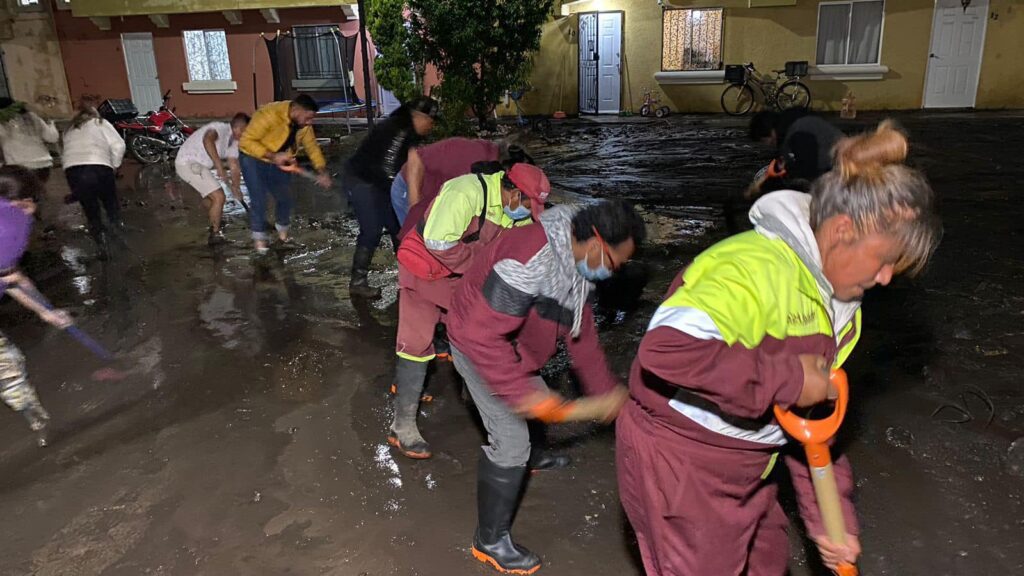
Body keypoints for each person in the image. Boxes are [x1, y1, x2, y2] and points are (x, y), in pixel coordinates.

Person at [617, 122, 941, 576]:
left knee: (768, 559)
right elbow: (665, 352)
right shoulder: (751, 271)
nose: (887, 277)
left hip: (750, 462)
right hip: (681, 461)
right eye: (885, 260)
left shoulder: (843, 308)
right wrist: (788, 379)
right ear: (843, 229)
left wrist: (833, 521)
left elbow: (812, 425)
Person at [447, 200, 646, 574]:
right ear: (596, 245)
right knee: (512, 438)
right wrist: (525, 399)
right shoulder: (528, 260)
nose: (614, 272)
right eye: (615, 263)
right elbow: (482, 338)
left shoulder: (578, 259)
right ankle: (489, 541)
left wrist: (605, 393)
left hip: (511, 341)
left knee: (535, 392)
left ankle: (531, 459)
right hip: (475, 340)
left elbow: (581, 334)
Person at [389, 162, 550, 460]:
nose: (528, 214)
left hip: (462, 277)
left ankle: (482, 403)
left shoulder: (520, 217)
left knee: (476, 336)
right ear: (513, 192)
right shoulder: (465, 191)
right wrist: (480, 270)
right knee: (417, 341)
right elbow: (437, 242)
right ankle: (403, 426)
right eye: (527, 205)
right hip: (423, 265)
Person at [0, 166, 74, 447]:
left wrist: (46, 311)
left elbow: (11, 278)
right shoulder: (8, 225)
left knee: (9, 367)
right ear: (23, 200)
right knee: (8, 368)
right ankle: (41, 427)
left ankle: (38, 422)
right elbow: (10, 277)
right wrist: (47, 312)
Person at [344, 96, 438, 298]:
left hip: (380, 182)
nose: (432, 126)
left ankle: (410, 274)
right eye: (431, 121)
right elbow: (388, 170)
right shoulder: (400, 131)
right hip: (363, 180)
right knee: (372, 229)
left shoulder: (408, 130)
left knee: (399, 228)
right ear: (419, 117)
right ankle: (358, 282)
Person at [239, 94, 331, 255]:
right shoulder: (268, 114)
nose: (310, 122)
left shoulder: (304, 126)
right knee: (259, 198)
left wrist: (322, 171)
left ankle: (282, 238)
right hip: (253, 157)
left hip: (281, 159)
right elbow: (246, 142)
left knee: (285, 197)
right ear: (296, 110)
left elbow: (312, 147)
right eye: (308, 117)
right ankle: (260, 243)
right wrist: (273, 156)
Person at [391, 138, 533, 225]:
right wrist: (415, 209)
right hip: (409, 187)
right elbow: (415, 158)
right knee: (417, 246)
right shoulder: (468, 153)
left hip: (438, 197)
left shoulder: (491, 170)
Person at [61, 100, 127, 257]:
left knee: (91, 210)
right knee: (110, 203)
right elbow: (118, 145)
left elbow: (65, 151)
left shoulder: (68, 129)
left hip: (73, 170)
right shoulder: (100, 123)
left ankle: (101, 244)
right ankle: (117, 235)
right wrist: (114, 165)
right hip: (99, 167)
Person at [175, 113, 250, 245]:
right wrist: (219, 166)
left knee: (212, 199)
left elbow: (234, 165)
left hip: (199, 166)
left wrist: (236, 187)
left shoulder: (235, 142)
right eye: (244, 131)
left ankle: (215, 218)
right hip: (188, 163)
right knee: (219, 197)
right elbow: (207, 139)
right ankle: (215, 235)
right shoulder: (219, 128)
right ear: (237, 127)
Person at [748, 109, 845, 199]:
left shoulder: (799, 131)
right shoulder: (790, 127)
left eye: (765, 141)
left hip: (843, 172)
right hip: (836, 171)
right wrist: (762, 183)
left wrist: (767, 185)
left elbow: (806, 168)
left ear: (772, 132)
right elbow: (783, 164)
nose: (768, 145)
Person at [0, 98, 58, 183]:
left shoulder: (2, 123)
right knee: (38, 191)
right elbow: (52, 138)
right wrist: (51, 124)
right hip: (43, 163)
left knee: (25, 193)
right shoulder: (33, 117)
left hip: (20, 165)